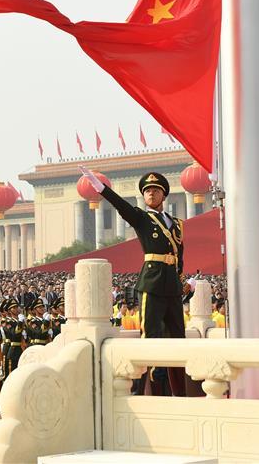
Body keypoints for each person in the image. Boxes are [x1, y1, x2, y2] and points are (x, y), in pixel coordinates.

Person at [80, 167, 189, 396]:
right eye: (147, 191)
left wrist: (182, 280)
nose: (151, 193)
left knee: (178, 339)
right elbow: (121, 205)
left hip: (172, 285)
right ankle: (149, 391)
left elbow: (179, 256)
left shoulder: (177, 224)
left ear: (163, 195)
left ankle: (180, 393)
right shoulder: (142, 218)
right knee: (151, 337)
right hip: (152, 283)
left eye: (155, 190)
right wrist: (101, 188)